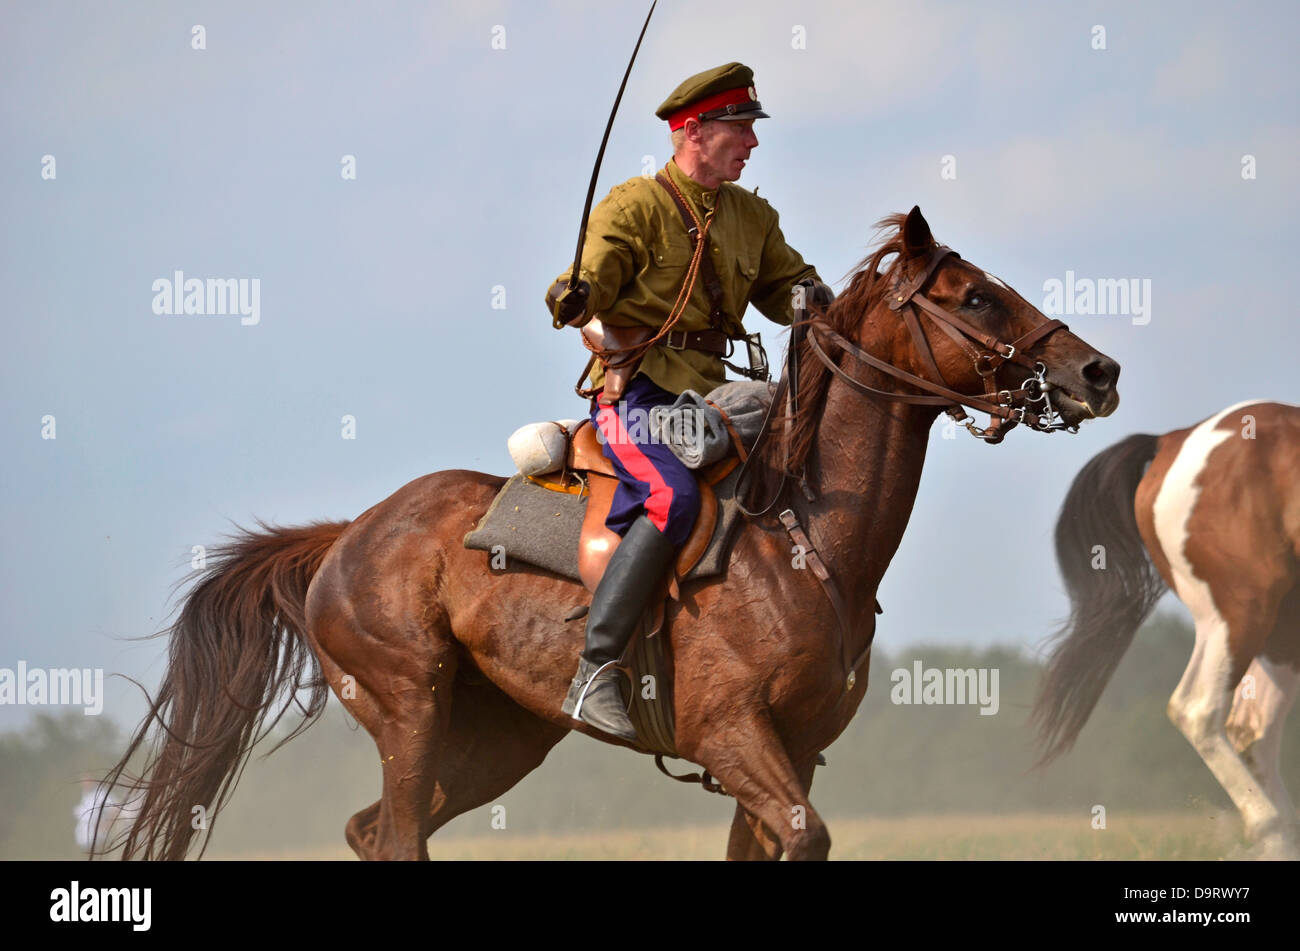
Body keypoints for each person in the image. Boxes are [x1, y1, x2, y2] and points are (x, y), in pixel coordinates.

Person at [545, 62, 832, 741]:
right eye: (741, 128)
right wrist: (576, 295)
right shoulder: (634, 207)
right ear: (693, 130)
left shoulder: (753, 218)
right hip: (637, 397)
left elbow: (792, 287)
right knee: (673, 497)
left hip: (715, 398)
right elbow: (589, 277)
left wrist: (816, 298)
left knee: (788, 428)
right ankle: (596, 669)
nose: (753, 144)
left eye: (752, 130)